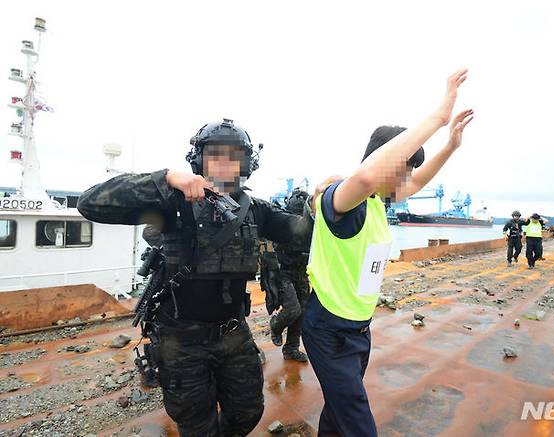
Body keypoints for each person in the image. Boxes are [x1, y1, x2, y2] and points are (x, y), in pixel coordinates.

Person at [77, 118, 313, 437]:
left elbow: (303, 234)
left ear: (246, 163)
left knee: (248, 411)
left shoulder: (255, 209)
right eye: (215, 154)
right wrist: (165, 179)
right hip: (181, 338)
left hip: (232, 332)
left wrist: (329, 203)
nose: (225, 163)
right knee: (196, 424)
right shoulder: (173, 202)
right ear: (199, 159)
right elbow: (90, 204)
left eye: (235, 155)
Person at [303, 69, 473, 437]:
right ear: (380, 160)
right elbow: (364, 178)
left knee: (339, 410)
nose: (406, 178)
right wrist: (438, 118)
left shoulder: (380, 202)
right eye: (403, 167)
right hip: (328, 329)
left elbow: (418, 181)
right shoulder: (341, 201)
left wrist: (450, 146)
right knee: (357, 419)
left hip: (359, 329)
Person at [269, 188, 312, 362]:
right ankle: (275, 324)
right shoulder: (282, 223)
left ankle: (291, 348)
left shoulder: (312, 224)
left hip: (301, 272)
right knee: (293, 309)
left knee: (302, 312)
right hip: (283, 272)